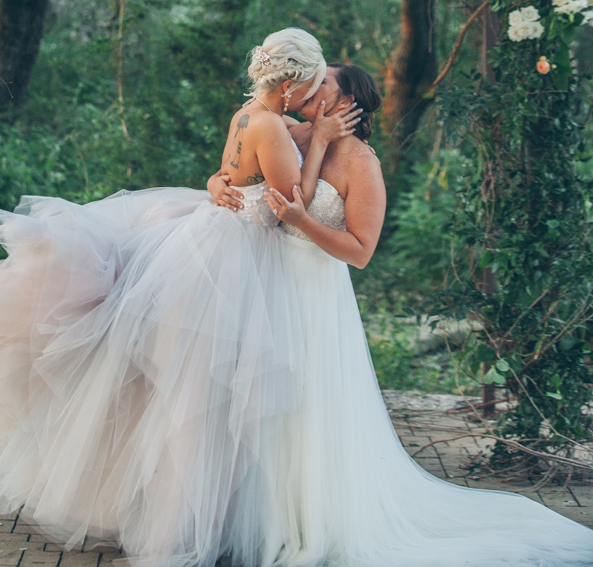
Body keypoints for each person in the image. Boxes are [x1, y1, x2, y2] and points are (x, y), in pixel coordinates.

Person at [0, 28, 359, 567]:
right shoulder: (270, 126)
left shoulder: (249, 113)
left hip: (211, 232)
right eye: (311, 89)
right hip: (235, 254)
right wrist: (322, 148)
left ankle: (195, 512)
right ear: (288, 85)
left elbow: (234, 170)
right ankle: (183, 525)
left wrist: (230, 174)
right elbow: (295, 201)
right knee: (202, 396)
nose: (315, 99)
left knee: (185, 391)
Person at [210, 62, 593, 567]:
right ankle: (266, 519)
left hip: (315, 293)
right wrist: (218, 182)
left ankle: (315, 521)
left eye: (324, 80)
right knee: (269, 408)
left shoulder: (361, 162)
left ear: (345, 103)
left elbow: (361, 251)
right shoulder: (292, 134)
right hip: (268, 289)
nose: (310, 82)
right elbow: (244, 170)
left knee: (310, 406)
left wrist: (303, 220)